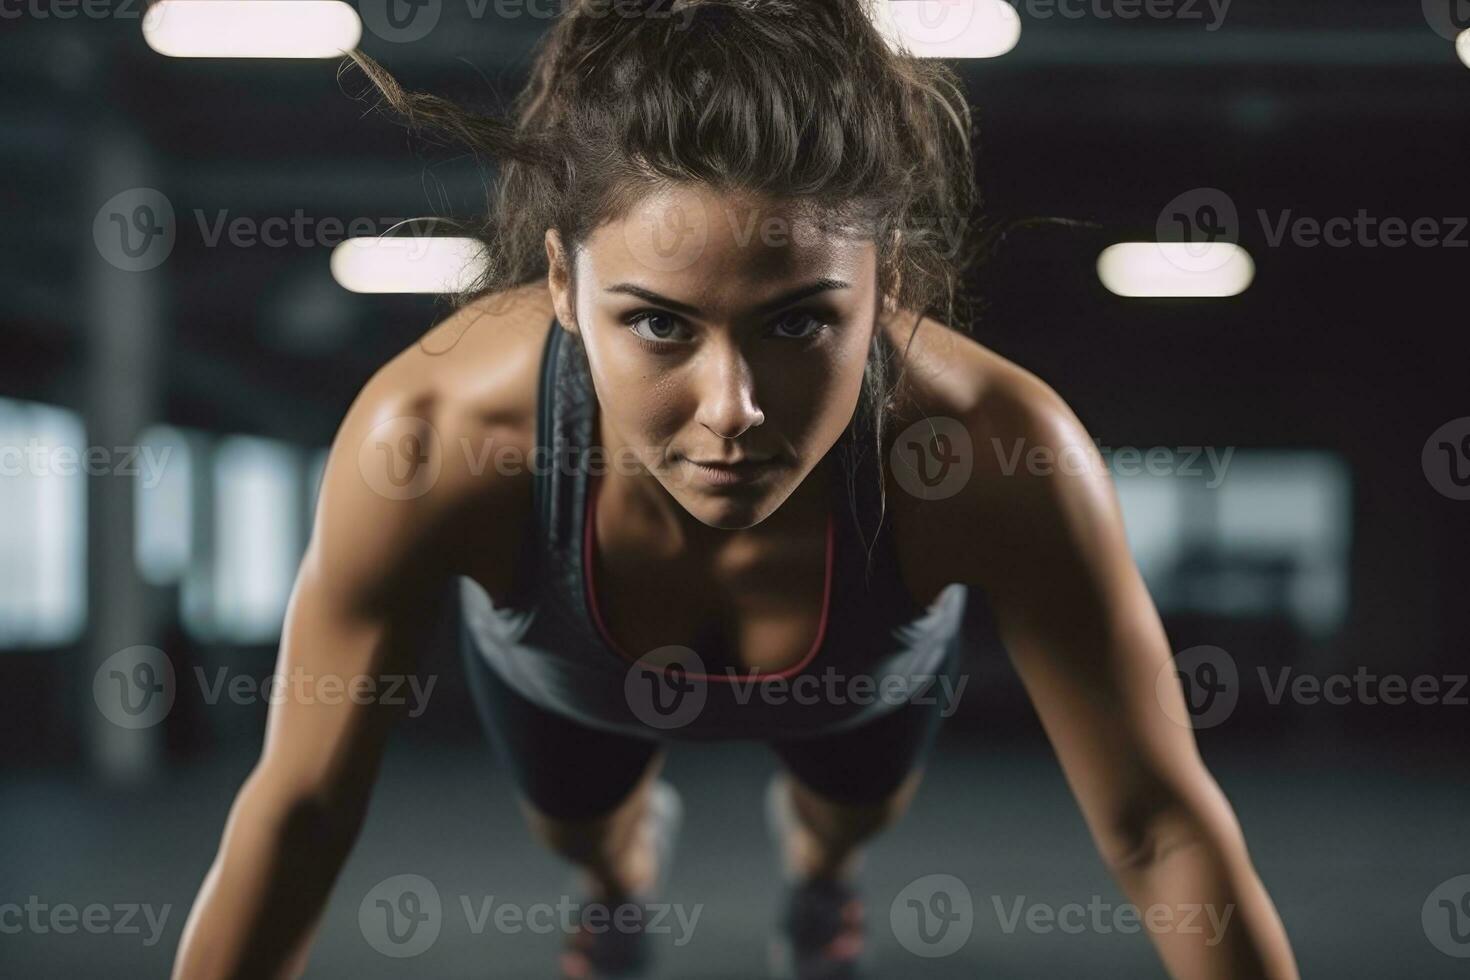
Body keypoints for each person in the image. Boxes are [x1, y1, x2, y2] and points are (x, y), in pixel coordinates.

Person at [172, 1, 1301, 978]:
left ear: (887, 285)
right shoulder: (432, 438)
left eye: (800, 321)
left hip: (859, 683)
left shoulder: (1001, 452)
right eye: (659, 323)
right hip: (571, 681)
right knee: (590, 837)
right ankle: (620, 877)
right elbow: (304, 808)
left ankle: (823, 870)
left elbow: (1159, 824)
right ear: (563, 282)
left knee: (840, 818)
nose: (733, 410)